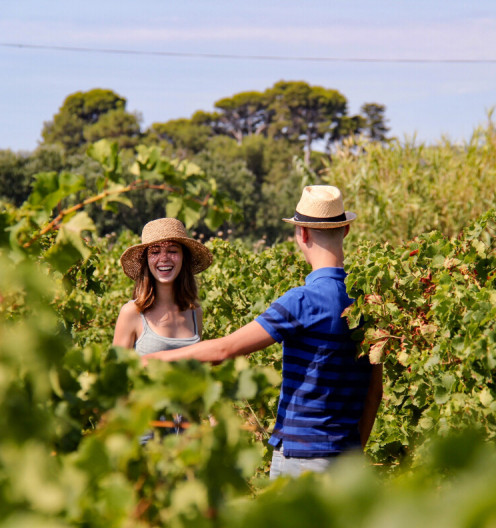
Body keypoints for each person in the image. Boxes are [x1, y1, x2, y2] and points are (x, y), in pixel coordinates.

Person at [142, 185, 384, 479]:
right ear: (345, 230)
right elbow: (374, 390)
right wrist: (354, 449)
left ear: (302, 234)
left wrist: (152, 360)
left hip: (301, 458)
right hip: (347, 459)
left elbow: (224, 349)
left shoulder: (302, 301)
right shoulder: (369, 302)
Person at [113, 217, 213, 435]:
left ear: (183, 258)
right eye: (155, 251)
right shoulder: (132, 313)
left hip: (187, 433)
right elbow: (115, 379)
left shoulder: (195, 312)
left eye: (172, 250)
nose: (163, 258)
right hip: (145, 433)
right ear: (147, 260)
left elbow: (197, 373)